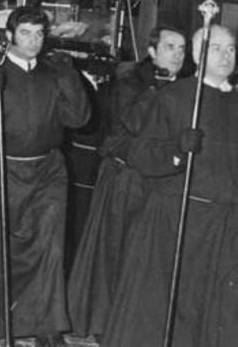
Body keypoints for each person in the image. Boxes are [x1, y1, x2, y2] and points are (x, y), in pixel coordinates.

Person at [0, 6, 90, 346]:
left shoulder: (54, 75)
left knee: (50, 249)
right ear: (9, 36)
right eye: (26, 33)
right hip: (2, 170)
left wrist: (71, 78)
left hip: (47, 172)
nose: (34, 41)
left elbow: (79, 119)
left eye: (40, 34)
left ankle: (46, 325)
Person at [103, 24, 238, 347]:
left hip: (224, 224)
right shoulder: (175, 96)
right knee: (167, 309)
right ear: (197, 54)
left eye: (231, 48)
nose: (225, 56)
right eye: (216, 48)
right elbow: (141, 153)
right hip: (177, 216)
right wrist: (176, 151)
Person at [67, 25, 186, 339]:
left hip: (162, 182)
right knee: (116, 251)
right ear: (152, 51)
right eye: (170, 46)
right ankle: (106, 327)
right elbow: (131, 124)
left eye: (182, 48)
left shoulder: (186, 86)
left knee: (150, 257)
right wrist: (156, 90)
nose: (177, 54)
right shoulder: (130, 83)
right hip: (126, 177)